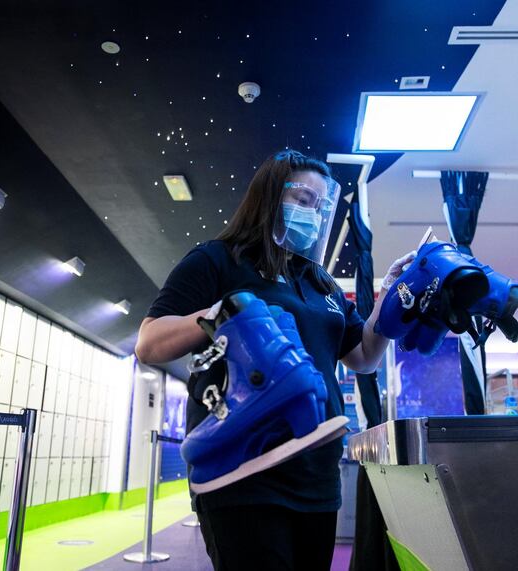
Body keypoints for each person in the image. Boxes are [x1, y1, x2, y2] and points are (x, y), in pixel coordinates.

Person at [135, 149, 414, 571]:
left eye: (319, 208)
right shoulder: (218, 260)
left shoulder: (321, 284)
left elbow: (364, 358)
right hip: (242, 468)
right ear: (268, 198)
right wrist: (224, 311)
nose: (312, 215)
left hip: (316, 471)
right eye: (303, 200)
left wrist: (390, 300)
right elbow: (149, 343)